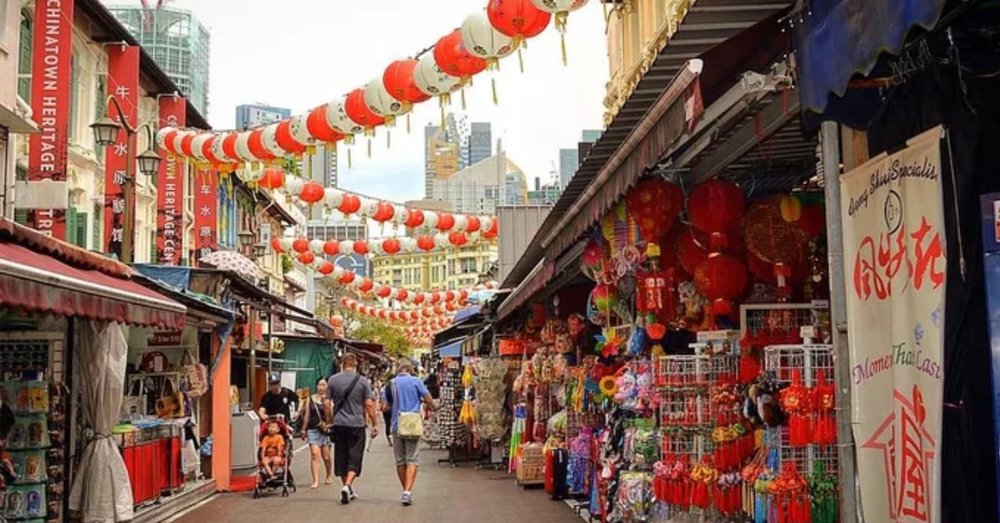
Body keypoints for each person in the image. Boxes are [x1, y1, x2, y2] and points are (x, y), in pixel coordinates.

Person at [324, 353, 379, 505]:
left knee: (342, 456)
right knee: (355, 456)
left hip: (339, 424)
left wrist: (329, 421)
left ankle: (347, 488)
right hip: (356, 424)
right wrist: (375, 423)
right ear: (356, 365)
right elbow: (368, 404)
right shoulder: (363, 381)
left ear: (342, 364)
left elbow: (327, 403)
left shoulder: (333, 380)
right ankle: (348, 485)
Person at [381, 358, 435, 506]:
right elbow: (428, 399)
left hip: (396, 425)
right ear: (411, 369)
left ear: (398, 369)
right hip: (412, 425)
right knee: (412, 459)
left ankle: (405, 489)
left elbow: (384, 407)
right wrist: (431, 406)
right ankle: (407, 491)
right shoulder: (417, 382)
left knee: (400, 460)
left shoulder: (389, 385)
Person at [297, 377, 333, 489]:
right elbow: (307, 415)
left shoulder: (329, 400)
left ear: (327, 386)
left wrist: (328, 423)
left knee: (326, 456)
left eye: (323, 385)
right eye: (319, 385)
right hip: (313, 429)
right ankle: (315, 480)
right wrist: (303, 429)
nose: (321, 387)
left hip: (326, 431)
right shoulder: (310, 398)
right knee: (314, 454)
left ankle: (328, 474)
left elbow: (332, 417)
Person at [379, 377, 394, 447]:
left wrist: (382, 406)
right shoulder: (395, 388)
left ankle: (389, 439)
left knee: (387, 424)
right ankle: (394, 438)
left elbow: (381, 399)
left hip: (385, 408)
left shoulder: (382, 389)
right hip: (393, 407)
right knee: (394, 423)